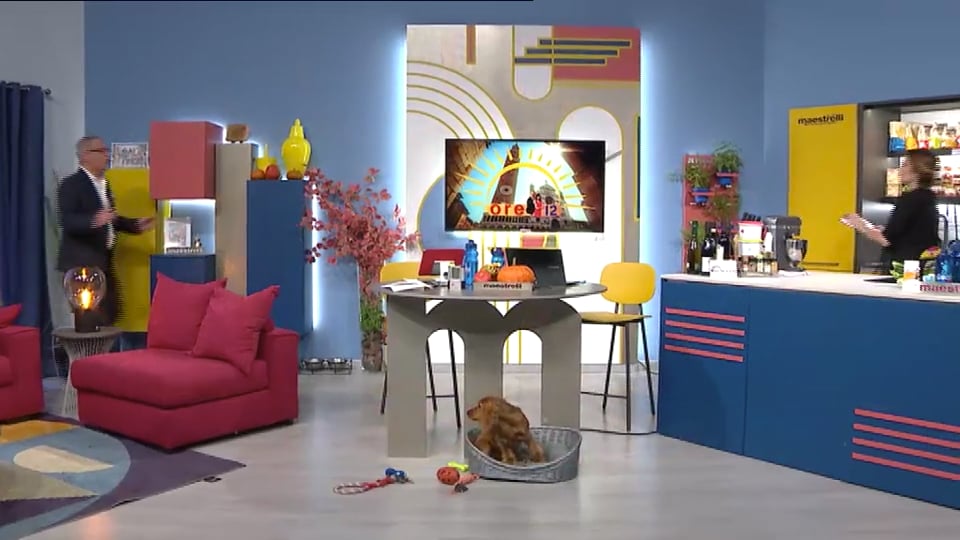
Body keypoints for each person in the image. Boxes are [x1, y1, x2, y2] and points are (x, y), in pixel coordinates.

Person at [56, 136, 155, 327]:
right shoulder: (71, 185)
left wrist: (135, 225)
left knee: (110, 313)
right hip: (82, 264)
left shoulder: (104, 184)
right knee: (89, 320)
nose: (106, 156)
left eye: (106, 151)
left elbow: (110, 220)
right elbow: (67, 220)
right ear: (85, 156)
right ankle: (90, 347)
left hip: (103, 261)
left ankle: (104, 347)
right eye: (101, 151)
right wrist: (93, 220)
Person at [843, 148, 940, 270]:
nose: (900, 170)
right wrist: (879, 229)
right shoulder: (928, 197)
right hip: (923, 267)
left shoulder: (911, 199)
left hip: (905, 269)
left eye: (905, 165)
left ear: (917, 170)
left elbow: (887, 240)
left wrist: (860, 225)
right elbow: (910, 234)